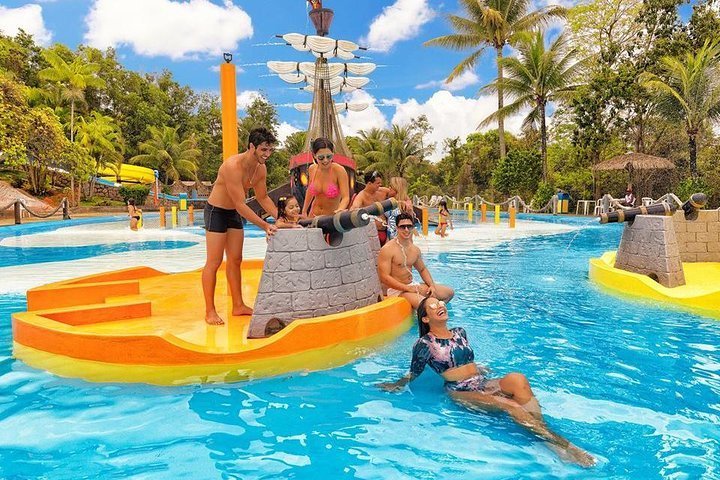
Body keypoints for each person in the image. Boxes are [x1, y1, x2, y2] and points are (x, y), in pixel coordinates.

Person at [377, 297, 596, 467]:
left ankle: (544, 434)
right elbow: (414, 372)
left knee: (518, 379)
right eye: (433, 306)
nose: (440, 305)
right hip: (459, 390)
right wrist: (398, 384)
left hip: (481, 380)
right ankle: (563, 445)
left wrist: (478, 368)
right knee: (510, 405)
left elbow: (467, 358)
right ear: (425, 319)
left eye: (440, 302)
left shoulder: (460, 332)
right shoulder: (424, 344)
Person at [202, 127, 279, 326]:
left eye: (270, 150)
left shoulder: (260, 168)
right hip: (216, 212)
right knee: (214, 261)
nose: (267, 155)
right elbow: (240, 203)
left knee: (236, 259)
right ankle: (210, 311)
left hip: (234, 213)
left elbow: (262, 197)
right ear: (252, 146)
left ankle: (238, 305)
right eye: (263, 150)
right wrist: (264, 225)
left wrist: (283, 217)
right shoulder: (232, 166)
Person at [377, 212, 454, 308]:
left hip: (411, 285)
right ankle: (424, 312)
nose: (406, 230)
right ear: (397, 228)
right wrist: (407, 288)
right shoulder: (388, 249)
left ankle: (423, 313)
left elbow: (422, 269)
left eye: (409, 226)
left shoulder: (414, 249)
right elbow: (384, 277)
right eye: (402, 227)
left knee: (449, 293)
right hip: (396, 290)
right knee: (428, 305)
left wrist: (431, 285)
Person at [302, 137, 350, 217]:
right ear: (314, 155)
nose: (325, 161)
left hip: (330, 218)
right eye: (321, 157)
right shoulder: (312, 169)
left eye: (329, 156)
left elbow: (346, 197)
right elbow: (309, 192)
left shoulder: (339, 170)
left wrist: (340, 209)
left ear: (333, 154)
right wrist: (304, 211)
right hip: (313, 216)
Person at [351, 170, 389, 245]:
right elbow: (354, 208)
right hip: (372, 234)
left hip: (387, 231)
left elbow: (399, 191)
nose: (380, 185)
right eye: (378, 183)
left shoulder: (383, 191)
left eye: (380, 183)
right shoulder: (361, 196)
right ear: (369, 183)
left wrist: (406, 201)